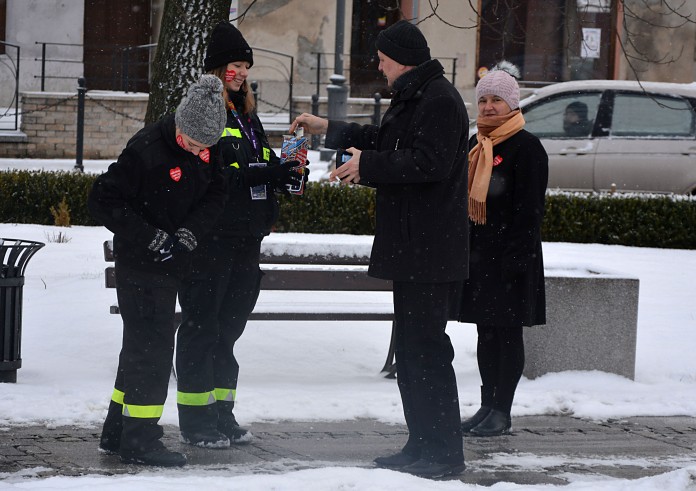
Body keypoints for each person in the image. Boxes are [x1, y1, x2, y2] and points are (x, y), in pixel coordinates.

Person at [290, 20, 469, 479]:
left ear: (402, 58)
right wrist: (328, 127)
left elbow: (428, 163)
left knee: (427, 350)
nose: (379, 65)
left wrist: (367, 166)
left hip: (430, 251)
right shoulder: (416, 95)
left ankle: (444, 453)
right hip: (414, 247)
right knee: (410, 353)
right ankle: (421, 442)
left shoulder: (440, 101)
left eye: (383, 58)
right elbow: (384, 141)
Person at [174, 21, 308, 449]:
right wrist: (261, 170)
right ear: (217, 69)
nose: (242, 74)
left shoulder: (247, 115)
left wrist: (284, 169)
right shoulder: (203, 110)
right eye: (235, 65)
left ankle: (221, 414)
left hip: (247, 238)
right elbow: (208, 172)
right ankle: (196, 421)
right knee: (202, 328)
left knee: (228, 331)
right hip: (211, 238)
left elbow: (259, 161)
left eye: (246, 67)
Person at [88, 75, 228, 467]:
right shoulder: (146, 149)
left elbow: (217, 193)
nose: (199, 151)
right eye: (193, 143)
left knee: (139, 348)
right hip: (140, 264)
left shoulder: (208, 149)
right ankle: (142, 440)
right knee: (151, 350)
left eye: (206, 146)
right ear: (180, 125)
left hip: (173, 262)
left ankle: (118, 432)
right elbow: (102, 201)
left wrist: (189, 233)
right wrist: (149, 236)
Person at [457, 66, 548, 437]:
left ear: (512, 105)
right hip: (478, 257)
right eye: (483, 100)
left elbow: (529, 211)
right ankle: (486, 405)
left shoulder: (527, 148)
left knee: (507, 335)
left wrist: (514, 259)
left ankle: (502, 410)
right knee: (485, 334)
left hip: (511, 259)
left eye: (497, 100)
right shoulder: (474, 145)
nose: (489, 107)